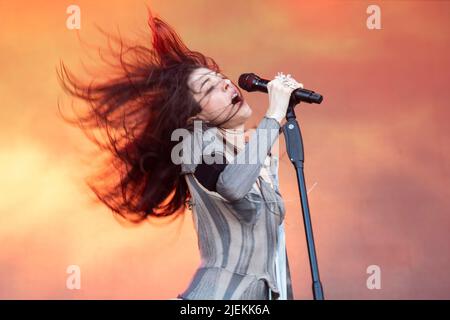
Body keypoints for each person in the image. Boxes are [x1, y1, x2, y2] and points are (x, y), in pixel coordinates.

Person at [57, 8, 302, 300]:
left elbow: (273, 253)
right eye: (210, 88)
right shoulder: (192, 143)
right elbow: (232, 186)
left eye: (221, 77)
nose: (226, 83)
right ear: (193, 116)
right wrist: (273, 115)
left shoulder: (256, 156)